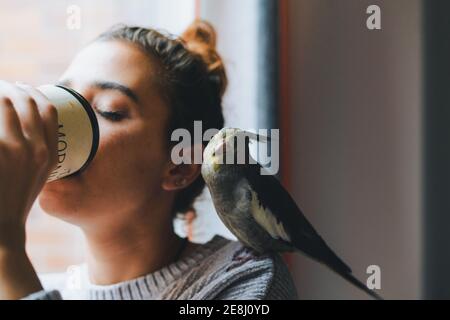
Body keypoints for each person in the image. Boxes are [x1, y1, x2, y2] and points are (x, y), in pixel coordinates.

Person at [0, 20, 297, 300]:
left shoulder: (243, 281)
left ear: (180, 164)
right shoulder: (38, 284)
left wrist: (7, 248)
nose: (57, 125)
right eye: (63, 100)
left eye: (109, 111)